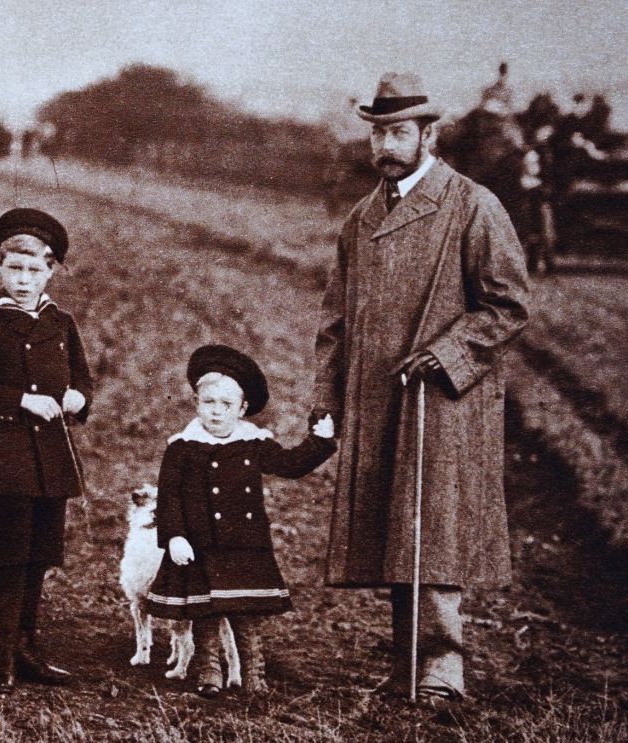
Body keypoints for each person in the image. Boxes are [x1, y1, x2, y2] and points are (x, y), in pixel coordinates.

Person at [312, 72, 530, 703]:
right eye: (377, 133)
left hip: (443, 400)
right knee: (395, 528)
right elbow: (334, 322)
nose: (386, 145)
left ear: (428, 136)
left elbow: (509, 305)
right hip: (377, 397)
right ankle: (407, 663)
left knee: (433, 527)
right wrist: (326, 400)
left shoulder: (473, 205)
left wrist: (449, 353)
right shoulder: (360, 219)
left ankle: (443, 666)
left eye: (399, 132)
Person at [0, 208, 94, 693]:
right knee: (13, 557)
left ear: (50, 272)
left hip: (52, 458)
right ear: (0, 266)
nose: (24, 280)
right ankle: (6, 653)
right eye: (14, 268)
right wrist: (21, 400)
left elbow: (82, 379)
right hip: (6, 456)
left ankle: (30, 649)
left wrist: (78, 398)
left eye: (34, 270)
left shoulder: (61, 322)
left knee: (39, 556)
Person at [146, 345, 336, 697]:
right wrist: (174, 536)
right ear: (196, 403)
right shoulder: (182, 447)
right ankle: (209, 672)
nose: (216, 411)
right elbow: (169, 496)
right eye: (208, 402)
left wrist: (320, 441)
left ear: (242, 408)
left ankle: (254, 675)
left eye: (226, 404)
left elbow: (291, 465)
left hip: (245, 545)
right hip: (201, 545)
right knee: (205, 611)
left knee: (246, 614)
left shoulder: (253, 442)